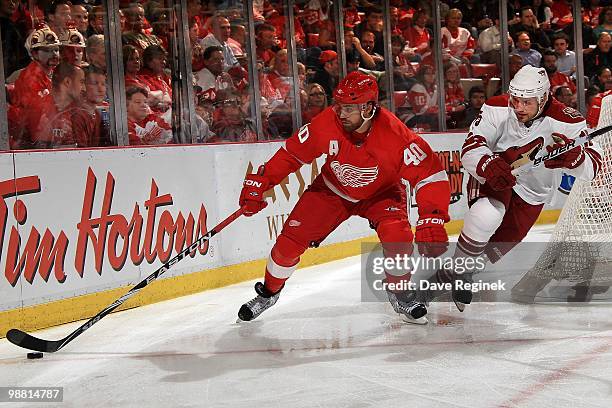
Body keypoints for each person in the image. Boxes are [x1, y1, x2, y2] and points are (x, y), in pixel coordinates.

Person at [236, 71, 451, 324]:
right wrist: (261, 182)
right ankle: (268, 293)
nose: (340, 113)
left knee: (399, 237)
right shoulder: (326, 123)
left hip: (382, 194)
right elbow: (291, 155)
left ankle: (400, 292)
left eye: (349, 108)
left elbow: (430, 175)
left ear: (369, 107)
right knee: (289, 243)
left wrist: (432, 215)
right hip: (332, 190)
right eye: (339, 106)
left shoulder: (396, 136)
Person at [418, 65, 602, 310]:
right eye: (515, 99)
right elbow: (472, 146)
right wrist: (488, 164)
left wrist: (575, 159)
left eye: (526, 102)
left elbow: (593, 168)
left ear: (544, 97)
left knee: (496, 249)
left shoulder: (568, 120)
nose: (518, 108)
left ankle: (456, 273)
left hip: (534, 192)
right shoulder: (496, 106)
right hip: (496, 175)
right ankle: (447, 280)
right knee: (486, 215)